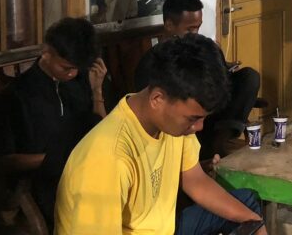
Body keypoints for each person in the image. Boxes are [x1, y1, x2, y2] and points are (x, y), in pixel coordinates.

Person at [54, 36, 266, 235]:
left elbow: (194, 179)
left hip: (165, 227)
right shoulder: (107, 158)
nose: (199, 127)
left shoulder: (173, 123)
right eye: (193, 118)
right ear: (157, 99)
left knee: (248, 209)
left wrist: (254, 222)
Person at [0, 17, 107, 230]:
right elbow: (3, 160)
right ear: (46, 51)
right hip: (44, 180)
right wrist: (57, 159)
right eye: (66, 67)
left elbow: (103, 133)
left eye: (76, 68)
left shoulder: (81, 82)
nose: (72, 73)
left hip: (87, 173)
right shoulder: (15, 96)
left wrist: (97, 91)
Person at [134, 0, 261, 159]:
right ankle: (206, 152)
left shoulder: (203, 47)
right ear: (169, 25)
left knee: (249, 77)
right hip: (182, 123)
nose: (195, 34)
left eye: (198, 27)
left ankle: (219, 144)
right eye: (190, 29)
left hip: (208, 118)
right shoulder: (153, 62)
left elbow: (219, 88)